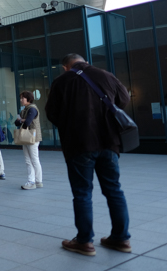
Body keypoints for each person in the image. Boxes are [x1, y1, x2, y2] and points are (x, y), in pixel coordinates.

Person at [46, 53, 132, 256]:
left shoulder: (61, 81)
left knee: (82, 193)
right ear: (84, 61)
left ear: (65, 67)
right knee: (114, 190)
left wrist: (70, 122)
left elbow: (52, 114)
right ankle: (121, 239)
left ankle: (84, 242)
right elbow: (124, 100)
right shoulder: (106, 75)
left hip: (79, 144)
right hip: (109, 142)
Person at [15, 91, 43, 190]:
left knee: (33, 159)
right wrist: (21, 120)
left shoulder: (32, 109)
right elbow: (16, 122)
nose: (21, 100)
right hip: (27, 137)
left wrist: (22, 120)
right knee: (29, 160)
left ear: (28, 99)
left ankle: (36, 181)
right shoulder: (25, 109)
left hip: (32, 137)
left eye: (23, 98)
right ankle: (34, 180)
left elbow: (27, 122)